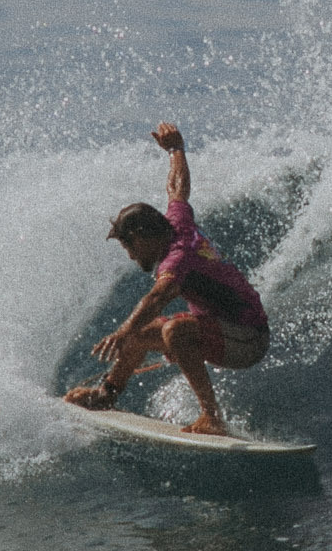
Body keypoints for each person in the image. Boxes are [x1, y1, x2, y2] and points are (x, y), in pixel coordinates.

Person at [65, 122, 269, 435]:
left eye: (129, 247)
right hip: (221, 328)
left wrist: (123, 330)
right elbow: (177, 188)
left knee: (175, 331)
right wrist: (176, 150)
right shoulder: (176, 222)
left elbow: (158, 297)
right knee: (141, 333)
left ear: (140, 237)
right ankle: (106, 395)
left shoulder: (177, 258)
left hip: (248, 338)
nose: (131, 257)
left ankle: (212, 417)